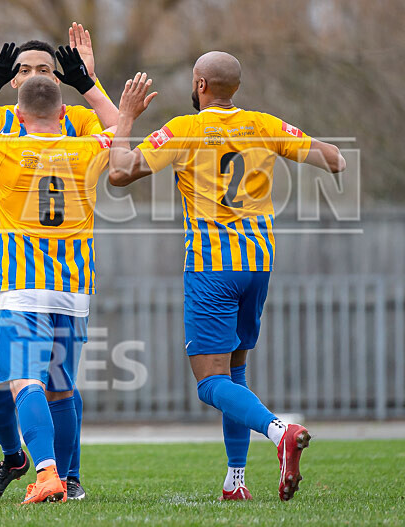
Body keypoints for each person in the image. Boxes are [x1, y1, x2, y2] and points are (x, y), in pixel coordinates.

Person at [109, 52, 346, 501]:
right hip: (258, 263)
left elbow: (119, 172)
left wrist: (125, 118)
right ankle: (235, 482)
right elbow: (335, 161)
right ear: (234, 87)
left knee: (209, 382)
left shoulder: (184, 129)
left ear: (199, 84)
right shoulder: (263, 124)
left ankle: (280, 432)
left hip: (211, 266)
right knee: (234, 372)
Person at [0, 22, 115, 501]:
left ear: (61, 80)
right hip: (6, 268)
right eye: (21, 69)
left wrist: (92, 80)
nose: (29, 75)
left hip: (38, 270)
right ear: (11, 78)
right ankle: (15, 458)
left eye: (43, 69)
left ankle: (66, 474)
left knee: (50, 380)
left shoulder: (78, 120)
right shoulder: (7, 118)